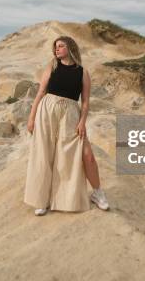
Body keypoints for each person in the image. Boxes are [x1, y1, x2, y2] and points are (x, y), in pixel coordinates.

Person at [24, 35, 110, 216]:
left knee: (86, 155)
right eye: (55, 46)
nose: (57, 49)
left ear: (70, 48)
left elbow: (85, 102)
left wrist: (82, 122)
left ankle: (97, 193)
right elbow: (40, 93)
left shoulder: (82, 72)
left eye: (61, 46)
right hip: (47, 111)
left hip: (71, 114)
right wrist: (31, 119)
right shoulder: (52, 66)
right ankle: (41, 200)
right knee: (44, 155)